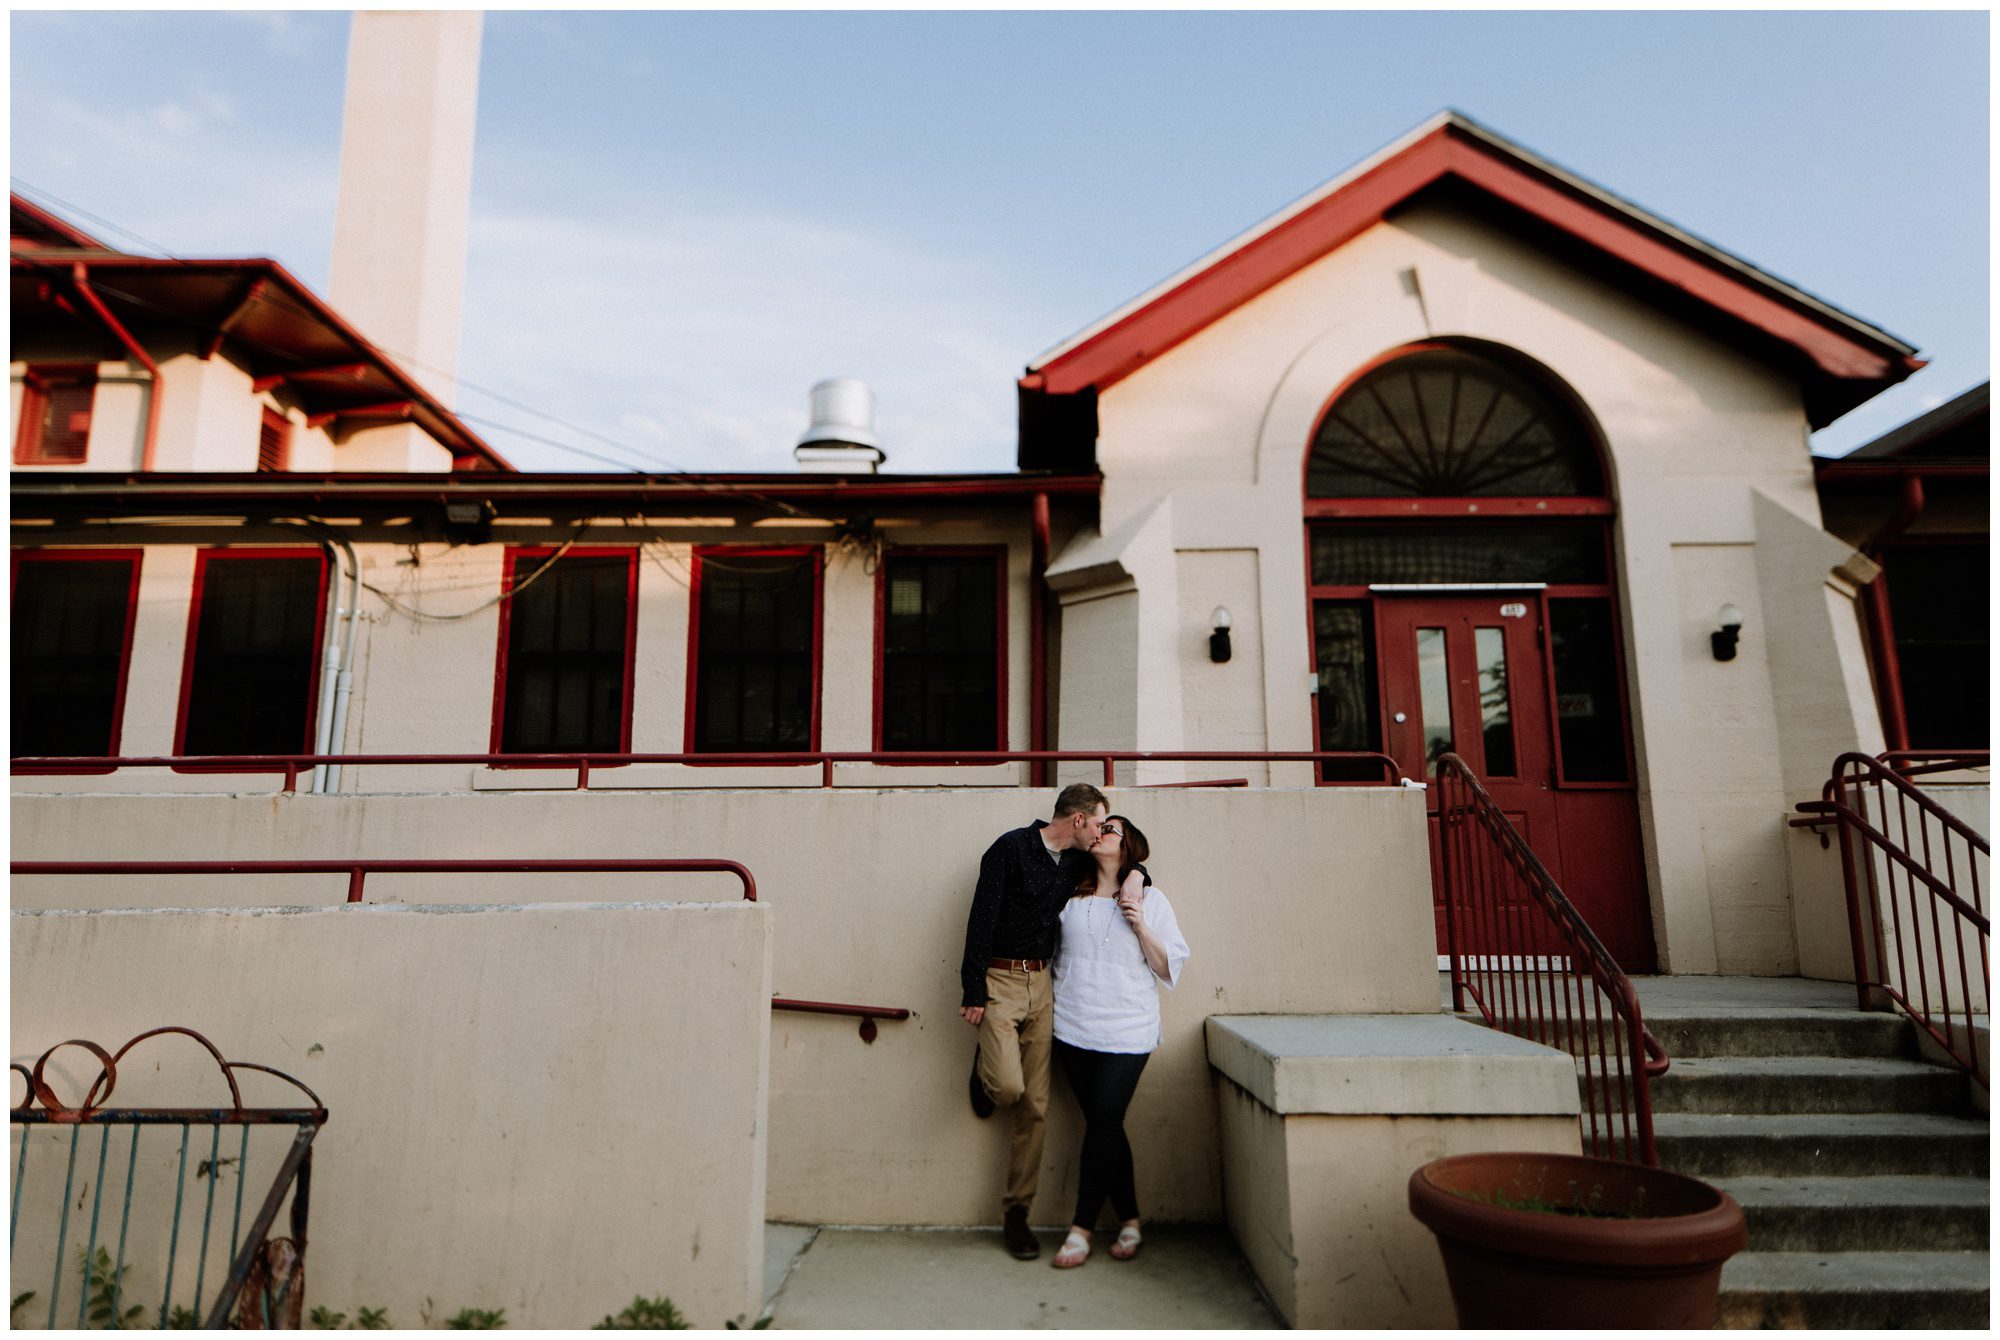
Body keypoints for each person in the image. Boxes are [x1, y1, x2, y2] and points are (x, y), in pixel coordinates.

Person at [959, 782, 1146, 1260]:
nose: (1104, 830)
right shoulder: (1010, 848)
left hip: (1043, 987)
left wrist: (1138, 874)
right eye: (1100, 822)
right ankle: (989, 1067)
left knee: (1036, 1106)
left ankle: (1016, 1212)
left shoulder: (1080, 862)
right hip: (999, 981)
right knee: (1008, 1089)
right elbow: (980, 919)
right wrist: (973, 989)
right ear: (1079, 820)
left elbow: (1125, 861)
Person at [1047, 814, 1189, 1269]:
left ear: (1129, 848)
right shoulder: (1069, 892)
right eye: (1098, 826)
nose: (1100, 832)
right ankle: (1130, 1219)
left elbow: (1169, 967)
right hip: (1072, 1027)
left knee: (1104, 1122)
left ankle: (1081, 1229)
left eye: (1111, 829)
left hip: (1128, 1031)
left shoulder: (1150, 898)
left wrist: (1141, 922)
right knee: (1105, 1128)